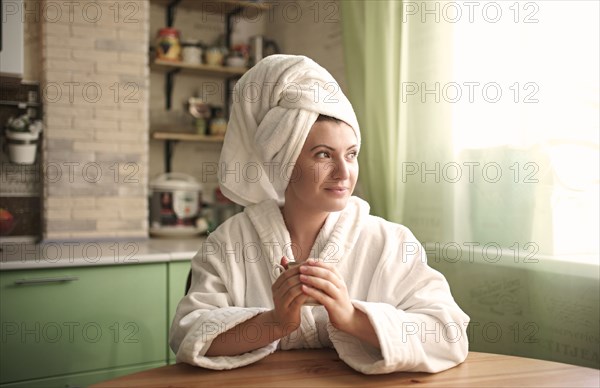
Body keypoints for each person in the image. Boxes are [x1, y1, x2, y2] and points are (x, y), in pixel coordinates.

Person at [169, 55, 469, 374]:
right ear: (283, 162)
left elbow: (448, 334)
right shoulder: (229, 242)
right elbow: (188, 334)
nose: (343, 173)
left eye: (351, 155)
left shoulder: (390, 243)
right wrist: (274, 322)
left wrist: (350, 317)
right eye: (323, 155)